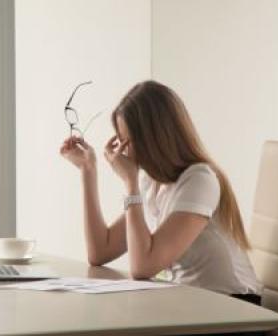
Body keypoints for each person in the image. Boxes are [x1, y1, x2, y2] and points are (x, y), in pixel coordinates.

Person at [59, 80, 262, 305]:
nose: (123, 151)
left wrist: (130, 183)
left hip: (234, 308)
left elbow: (143, 267)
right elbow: (100, 251)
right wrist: (88, 170)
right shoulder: (152, 183)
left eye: (128, 141)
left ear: (154, 138)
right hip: (193, 305)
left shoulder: (199, 180)